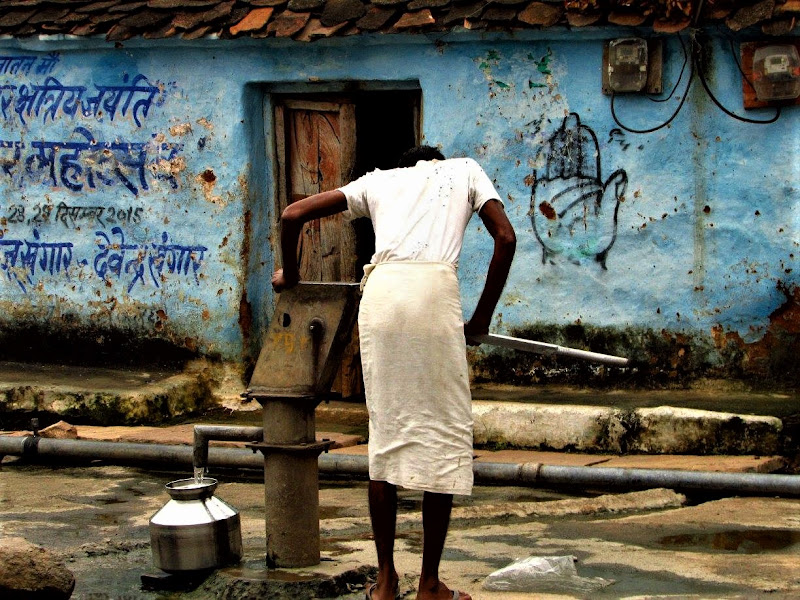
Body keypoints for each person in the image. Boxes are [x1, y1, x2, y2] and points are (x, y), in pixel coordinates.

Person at [272, 145, 516, 600]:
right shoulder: (463, 170)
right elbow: (505, 237)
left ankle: (385, 583)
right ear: (436, 161)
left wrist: (291, 274)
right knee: (441, 437)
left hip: (381, 296)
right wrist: (480, 319)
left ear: (409, 162)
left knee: (386, 436)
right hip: (432, 293)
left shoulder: (380, 179)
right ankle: (429, 585)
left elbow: (292, 215)